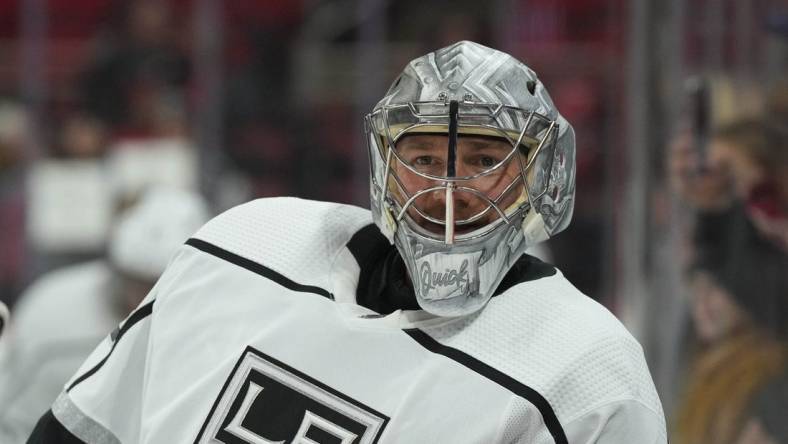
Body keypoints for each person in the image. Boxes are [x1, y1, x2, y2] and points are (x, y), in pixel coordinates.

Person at [29, 41, 665, 443]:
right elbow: (83, 431)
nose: (447, 186)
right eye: (421, 156)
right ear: (384, 167)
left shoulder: (589, 372)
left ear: (540, 175)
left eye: (481, 158)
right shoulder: (243, 246)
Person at [0, 187, 208, 444]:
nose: (146, 297)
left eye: (160, 283)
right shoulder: (53, 315)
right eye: (137, 281)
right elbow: (11, 422)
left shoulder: (213, 334)